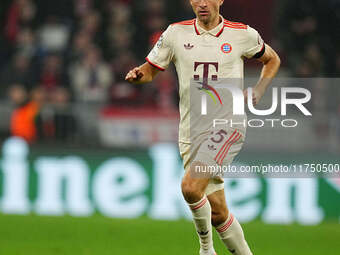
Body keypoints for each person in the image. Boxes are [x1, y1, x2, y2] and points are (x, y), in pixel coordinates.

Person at [125, 0, 280, 254]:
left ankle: (206, 249)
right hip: (191, 130)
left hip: (227, 124)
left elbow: (272, 59)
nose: (202, 3)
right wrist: (138, 75)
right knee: (218, 212)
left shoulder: (242, 34)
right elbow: (151, 70)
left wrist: (259, 90)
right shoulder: (175, 33)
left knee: (190, 187)